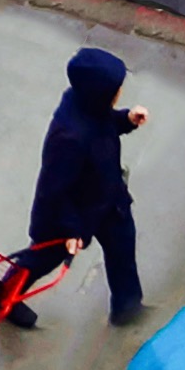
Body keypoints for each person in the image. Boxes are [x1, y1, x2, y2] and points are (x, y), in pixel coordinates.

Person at [27, 45, 147, 321]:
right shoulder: (69, 137)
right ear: (100, 93)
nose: (120, 93)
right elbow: (54, 191)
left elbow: (103, 124)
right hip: (72, 216)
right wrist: (70, 229)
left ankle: (128, 309)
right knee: (41, 259)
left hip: (108, 202)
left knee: (122, 249)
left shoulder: (89, 105)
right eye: (116, 89)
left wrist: (126, 119)